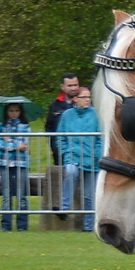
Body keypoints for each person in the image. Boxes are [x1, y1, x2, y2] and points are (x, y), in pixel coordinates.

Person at [56, 89, 102, 231]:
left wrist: (98, 154)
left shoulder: (96, 114)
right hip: (73, 155)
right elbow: (59, 136)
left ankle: (88, 226)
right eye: (84, 97)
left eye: (89, 97)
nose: (87, 100)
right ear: (75, 99)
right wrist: (64, 152)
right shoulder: (67, 115)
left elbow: (101, 137)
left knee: (89, 194)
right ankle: (64, 208)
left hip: (92, 158)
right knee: (71, 172)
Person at [0, 101, 32, 231]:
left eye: (16, 111)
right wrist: (14, 145)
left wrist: (9, 142)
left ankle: (22, 225)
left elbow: (24, 144)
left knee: (21, 194)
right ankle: (6, 225)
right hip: (4, 163)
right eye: (11, 111)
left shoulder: (25, 126)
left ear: (20, 112)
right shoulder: (1, 126)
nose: (14, 114)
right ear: (6, 112)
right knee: (7, 195)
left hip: (20, 163)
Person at [44, 72, 82, 165]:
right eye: (69, 85)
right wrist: (55, 147)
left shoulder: (85, 104)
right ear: (62, 87)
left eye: (75, 85)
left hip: (82, 151)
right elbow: (49, 128)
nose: (73, 88)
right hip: (60, 152)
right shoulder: (54, 105)